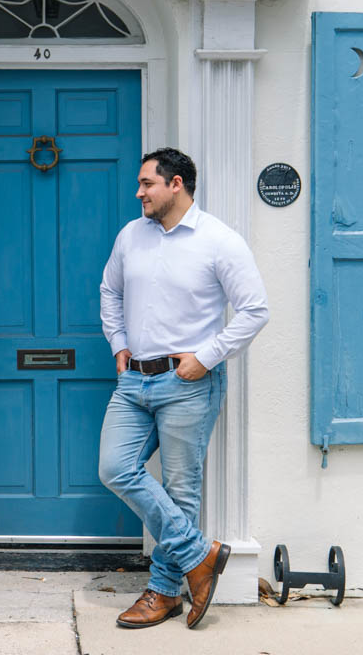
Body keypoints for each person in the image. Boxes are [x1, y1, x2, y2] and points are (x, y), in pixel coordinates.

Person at [97, 147, 269, 630]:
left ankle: (163, 591)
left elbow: (255, 310)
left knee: (180, 489)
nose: (139, 192)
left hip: (188, 381)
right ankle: (201, 555)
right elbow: (110, 291)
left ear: (176, 185)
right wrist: (118, 345)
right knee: (114, 468)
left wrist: (206, 357)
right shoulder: (131, 235)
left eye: (147, 183)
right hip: (133, 380)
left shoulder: (220, 241)